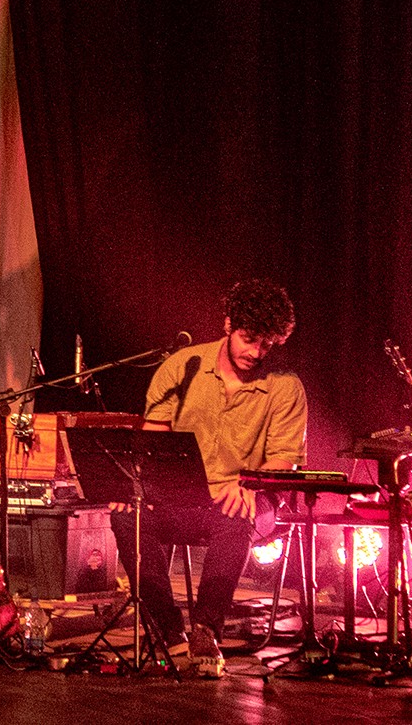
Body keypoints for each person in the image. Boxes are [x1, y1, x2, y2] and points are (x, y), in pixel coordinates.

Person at [108, 278, 306, 677]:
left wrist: (250, 486)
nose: (256, 352)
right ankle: (169, 631)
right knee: (127, 516)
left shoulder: (286, 386)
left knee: (235, 514)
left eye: (266, 344)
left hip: (251, 498)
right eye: (249, 339)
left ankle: (206, 631)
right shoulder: (183, 366)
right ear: (228, 324)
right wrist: (134, 489)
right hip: (183, 497)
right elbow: (152, 443)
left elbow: (284, 461)